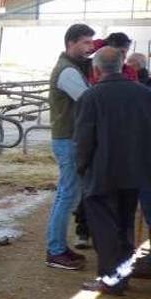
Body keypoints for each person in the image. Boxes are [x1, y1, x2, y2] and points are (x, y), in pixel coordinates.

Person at [73, 46, 151, 294]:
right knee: (125, 227)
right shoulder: (144, 94)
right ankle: (121, 277)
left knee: (105, 231)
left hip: (101, 175)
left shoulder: (91, 97)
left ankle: (110, 280)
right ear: (121, 66)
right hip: (134, 174)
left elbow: (84, 141)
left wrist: (81, 168)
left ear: (96, 70)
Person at [45, 23, 95, 271]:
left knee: (66, 194)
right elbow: (89, 102)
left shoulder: (73, 68)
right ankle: (55, 251)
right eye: (86, 42)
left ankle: (58, 247)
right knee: (67, 195)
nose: (90, 47)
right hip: (69, 139)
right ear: (71, 42)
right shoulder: (68, 72)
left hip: (68, 138)